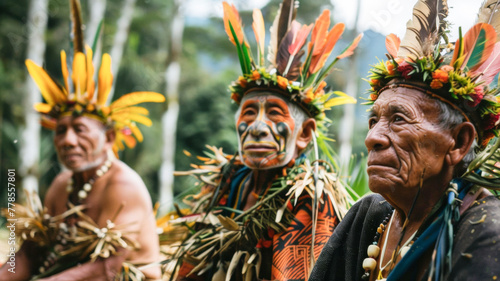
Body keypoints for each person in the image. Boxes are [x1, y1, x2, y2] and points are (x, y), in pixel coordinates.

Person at [156, 0, 363, 280]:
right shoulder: (229, 182)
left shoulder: (310, 199)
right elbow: (191, 267)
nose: (257, 128)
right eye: (249, 112)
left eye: (275, 114)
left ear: (304, 134)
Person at [310, 0, 500, 280]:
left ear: (459, 142)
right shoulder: (369, 215)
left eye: (399, 119)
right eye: (373, 121)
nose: (372, 138)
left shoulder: (486, 232)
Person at [0, 1, 165, 280]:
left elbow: (108, 268)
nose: (68, 140)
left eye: (80, 129)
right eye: (60, 130)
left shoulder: (123, 186)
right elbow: (31, 254)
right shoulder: (62, 185)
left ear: (109, 137)